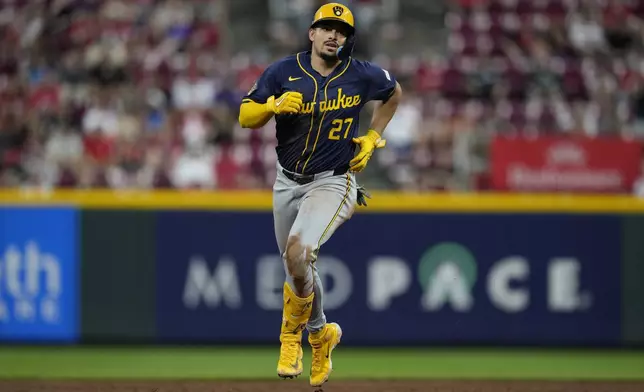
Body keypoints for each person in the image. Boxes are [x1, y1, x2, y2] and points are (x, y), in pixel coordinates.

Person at [238, 2, 402, 388]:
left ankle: (290, 338)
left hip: (334, 180)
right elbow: (245, 116)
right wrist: (271, 106)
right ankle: (320, 333)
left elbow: (393, 94)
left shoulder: (361, 74)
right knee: (297, 269)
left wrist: (374, 136)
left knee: (299, 252)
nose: (334, 35)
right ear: (312, 33)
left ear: (348, 39)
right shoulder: (283, 72)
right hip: (286, 181)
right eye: (327, 28)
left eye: (342, 31)